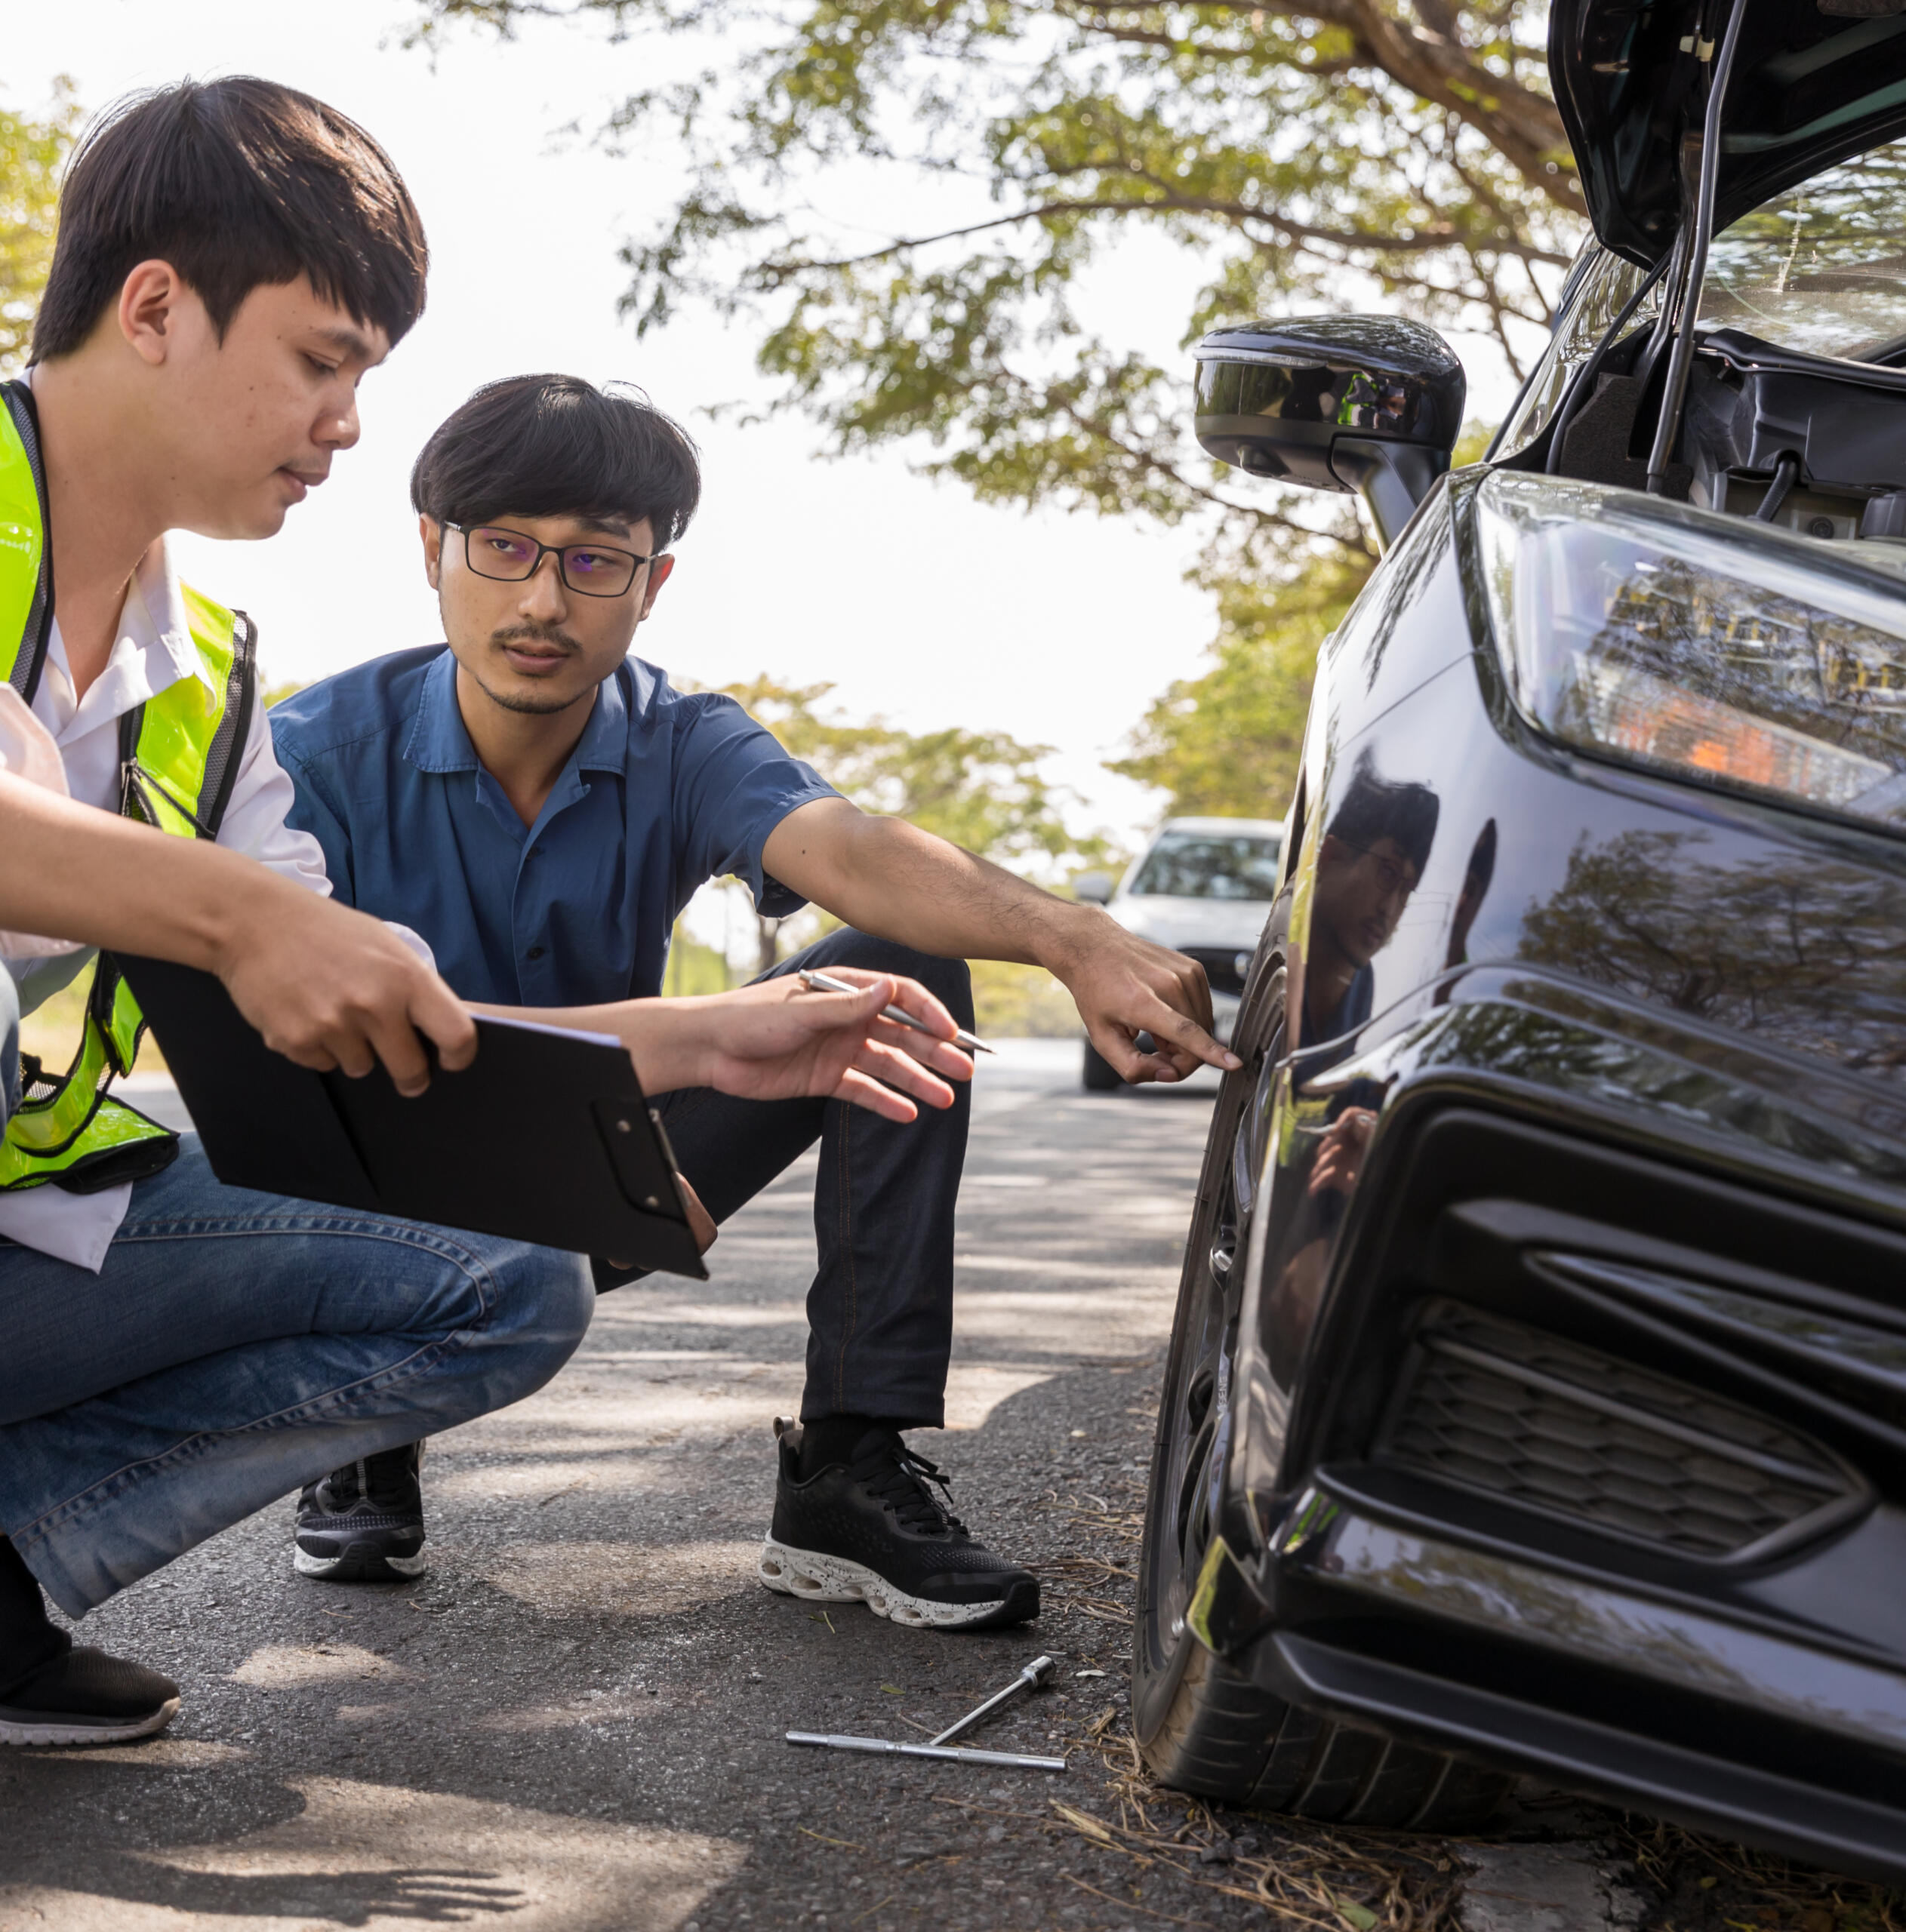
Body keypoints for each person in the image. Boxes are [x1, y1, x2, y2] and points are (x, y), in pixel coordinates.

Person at [0, 78, 956, 1751]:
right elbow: (243, 925)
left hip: (30, 1225)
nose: (348, 423)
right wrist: (235, 915)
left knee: (512, 1278)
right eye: (323, 360)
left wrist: (704, 1039)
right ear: (154, 308)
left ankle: (10, 1563)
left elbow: (370, 1037)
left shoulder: (210, 675)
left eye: (363, 376)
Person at [270, 373, 1243, 1632]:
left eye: (595, 562)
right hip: (380, 1185)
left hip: (612, 1168)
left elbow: (853, 852)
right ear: (431, 551)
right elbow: (284, 1049)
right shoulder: (312, 756)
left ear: (652, 584)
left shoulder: (680, 738)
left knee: (897, 975)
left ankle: (846, 1465)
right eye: (503, 548)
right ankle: (365, 1431)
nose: (542, 601)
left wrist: (1072, 936)